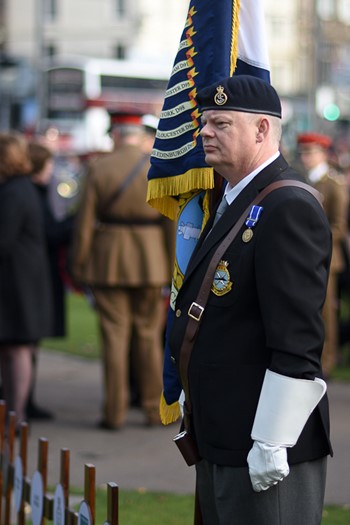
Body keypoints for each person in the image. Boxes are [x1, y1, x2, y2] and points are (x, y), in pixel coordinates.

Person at [167, 76, 332, 525]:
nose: (205, 133)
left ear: (262, 130)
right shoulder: (235, 199)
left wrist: (273, 440)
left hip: (264, 443)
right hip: (222, 428)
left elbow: (297, 336)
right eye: (205, 123)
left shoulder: (287, 206)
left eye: (220, 123)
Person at [71, 110, 175, 429]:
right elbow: (171, 223)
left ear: (115, 134)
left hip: (109, 260)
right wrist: (173, 267)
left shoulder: (99, 168)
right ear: (140, 136)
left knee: (114, 337)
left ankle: (114, 412)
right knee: (148, 336)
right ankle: (152, 408)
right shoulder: (158, 169)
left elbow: (84, 223)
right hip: (151, 258)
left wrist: (78, 264)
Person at [0, 132, 53, 429]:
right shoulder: (19, 188)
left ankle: (17, 414)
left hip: (20, 282)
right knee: (12, 349)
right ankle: (13, 411)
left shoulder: (15, 191)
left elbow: (4, 238)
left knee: (18, 349)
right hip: (19, 280)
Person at [28, 141, 75, 419]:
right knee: (24, 345)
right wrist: (75, 222)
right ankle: (21, 402)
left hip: (32, 274)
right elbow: (49, 232)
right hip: (32, 276)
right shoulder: (30, 192)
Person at [297, 132, 348, 378]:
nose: (306, 157)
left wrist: (312, 242)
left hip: (326, 256)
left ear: (323, 154)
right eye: (304, 153)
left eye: (311, 153)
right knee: (308, 309)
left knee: (327, 311)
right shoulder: (304, 179)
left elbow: (338, 226)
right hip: (305, 256)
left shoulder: (333, 184)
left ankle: (326, 362)